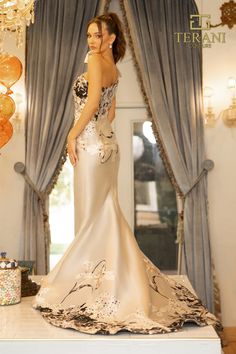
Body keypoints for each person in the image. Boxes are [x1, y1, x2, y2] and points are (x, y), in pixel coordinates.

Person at [33, 12, 220, 335]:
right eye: (89, 36)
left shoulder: (95, 61)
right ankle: (103, 286)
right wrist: (94, 130)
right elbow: (111, 110)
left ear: (111, 38)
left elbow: (92, 104)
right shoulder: (115, 70)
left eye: (96, 35)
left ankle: (92, 290)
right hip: (108, 145)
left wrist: (71, 135)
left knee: (91, 219)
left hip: (91, 145)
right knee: (104, 214)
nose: (90, 41)